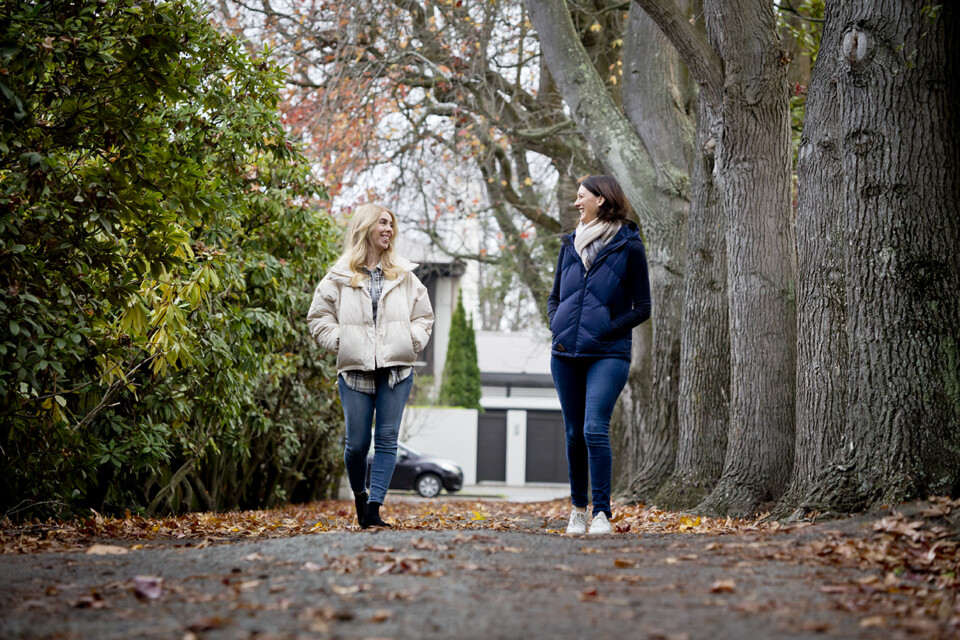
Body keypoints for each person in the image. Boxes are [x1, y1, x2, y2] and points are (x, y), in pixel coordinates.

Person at [307, 204, 434, 528]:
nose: (389, 229)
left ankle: (375, 508)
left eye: (391, 224)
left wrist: (411, 340)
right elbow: (318, 317)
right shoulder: (339, 275)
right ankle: (360, 494)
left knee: (388, 439)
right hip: (355, 371)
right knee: (357, 444)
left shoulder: (404, 275)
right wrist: (342, 341)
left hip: (396, 370)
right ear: (366, 228)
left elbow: (424, 316)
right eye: (382, 223)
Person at [547, 175, 651, 535]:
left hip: (608, 353)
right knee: (574, 432)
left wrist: (606, 328)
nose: (577, 203)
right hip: (566, 353)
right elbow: (555, 296)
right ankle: (578, 509)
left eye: (582, 197)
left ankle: (601, 513)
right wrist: (556, 325)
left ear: (601, 201)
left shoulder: (628, 246)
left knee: (594, 428)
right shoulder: (569, 245)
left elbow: (643, 307)